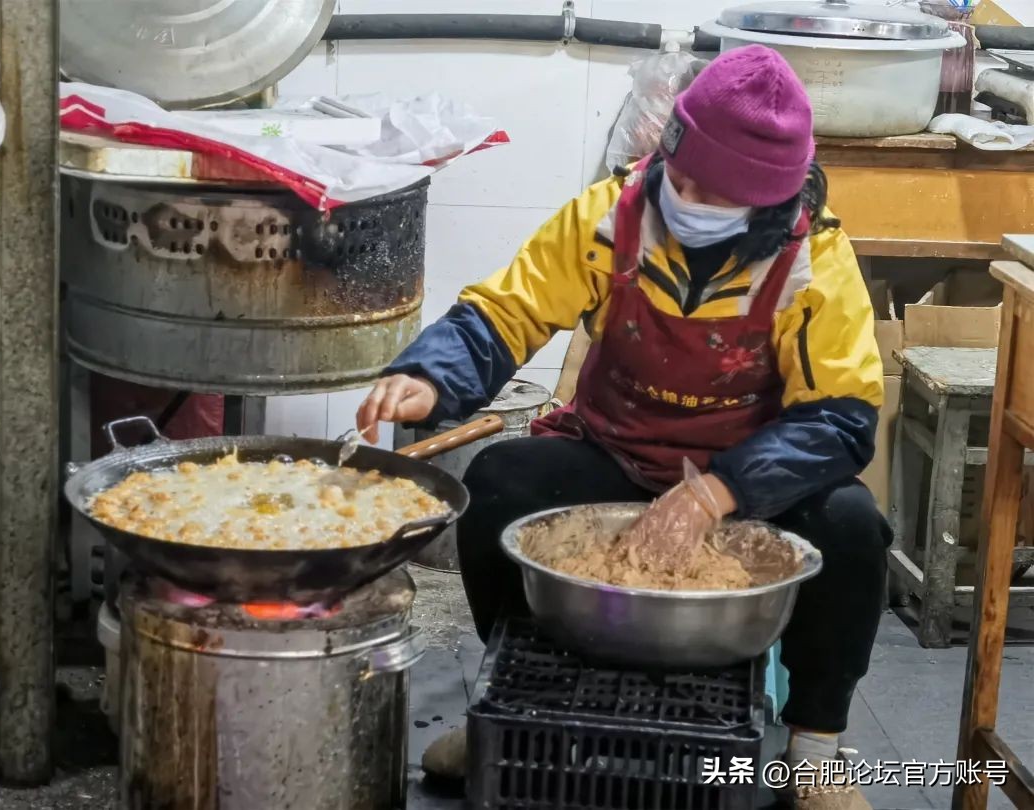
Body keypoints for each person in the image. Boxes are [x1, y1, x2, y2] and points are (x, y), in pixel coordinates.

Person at [357, 45, 889, 810]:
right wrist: (430, 375)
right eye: (682, 176)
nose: (686, 198)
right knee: (501, 484)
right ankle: (509, 714)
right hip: (617, 453)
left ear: (765, 201)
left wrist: (714, 494)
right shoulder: (613, 216)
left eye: (712, 194)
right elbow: (508, 310)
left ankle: (814, 752)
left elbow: (838, 418)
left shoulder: (814, 259)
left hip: (749, 481)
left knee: (851, 529)